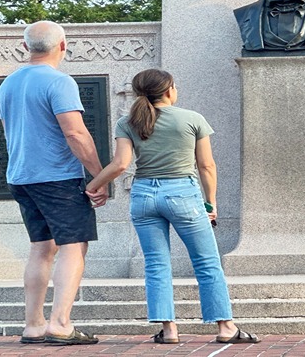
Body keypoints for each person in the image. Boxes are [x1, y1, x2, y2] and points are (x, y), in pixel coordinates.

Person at [85, 68, 260, 345]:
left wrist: (93, 185)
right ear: (169, 91)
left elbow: (120, 165)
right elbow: (206, 166)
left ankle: (169, 330)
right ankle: (226, 328)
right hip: (183, 194)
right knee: (206, 262)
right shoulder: (192, 119)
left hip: (143, 196)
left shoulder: (127, 122)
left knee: (156, 264)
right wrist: (210, 202)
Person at [0, 20, 108, 346]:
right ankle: (60, 324)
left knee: (42, 248)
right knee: (74, 246)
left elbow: (9, 131)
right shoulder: (60, 82)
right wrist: (99, 175)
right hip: (57, 179)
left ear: (26, 47)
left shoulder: (8, 84)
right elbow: (75, 133)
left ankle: (33, 326)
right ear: (62, 46)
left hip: (21, 178)